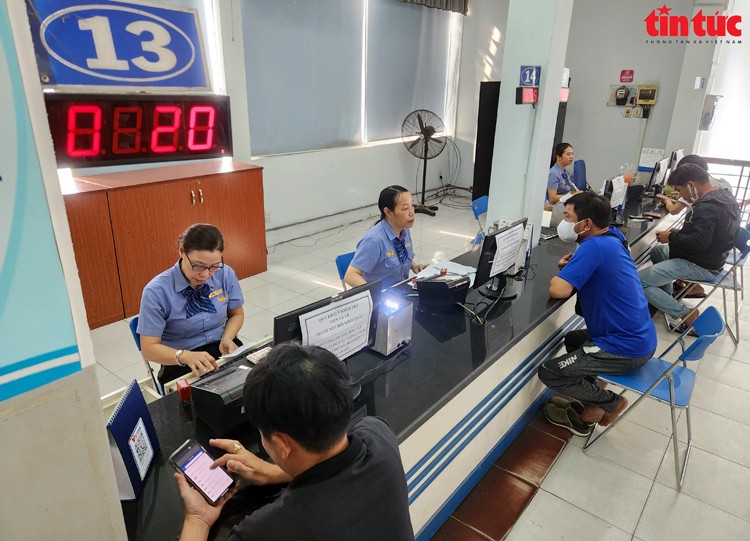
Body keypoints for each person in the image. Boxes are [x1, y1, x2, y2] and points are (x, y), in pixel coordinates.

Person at [174, 343, 415, 541]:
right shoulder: (379, 435)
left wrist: (198, 520)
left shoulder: (266, 531)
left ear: (282, 444)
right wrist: (272, 472)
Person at [537, 192, 657, 434]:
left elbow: (558, 290)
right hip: (640, 338)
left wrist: (566, 272)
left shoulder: (593, 246)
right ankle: (592, 399)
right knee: (573, 340)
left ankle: (610, 402)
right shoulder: (613, 237)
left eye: (569, 217)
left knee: (549, 372)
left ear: (586, 224)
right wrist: (576, 265)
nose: (565, 222)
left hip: (624, 348)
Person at [138, 223, 244, 385]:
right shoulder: (156, 291)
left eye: (213, 266)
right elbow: (149, 349)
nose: (206, 274)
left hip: (224, 347)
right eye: (198, 265)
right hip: (180, 361)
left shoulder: (225, 273)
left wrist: (228, 337)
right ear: (182, 251)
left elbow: (236, 314)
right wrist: (184, 356)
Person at [640, 163, 740, 329]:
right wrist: (679, 232)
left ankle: (684, 313)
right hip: (713, 257)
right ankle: (665, 298)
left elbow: (699, 242)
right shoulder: (723, 195)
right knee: (658, 251)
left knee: (639, 281)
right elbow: (711, 234)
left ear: (691, 185)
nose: (680, 196)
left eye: (680, 190)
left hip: (702, 264)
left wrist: (672, 236)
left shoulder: (707, 206)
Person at [345, 185, 427, 289]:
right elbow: (350, 276)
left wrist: (414, 266)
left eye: (412, 206)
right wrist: (376, 295)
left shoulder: (404, 229)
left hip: (401, 291)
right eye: (405, 208)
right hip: (382, 298)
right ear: (388, 212)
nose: (411, 213)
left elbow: (400, 255)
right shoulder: (374, 240)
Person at [656, 154, 733, 215]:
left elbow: (674, 210)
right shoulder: (724, 184)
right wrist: (682, 194)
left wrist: (667, 200)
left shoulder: (696, 187)